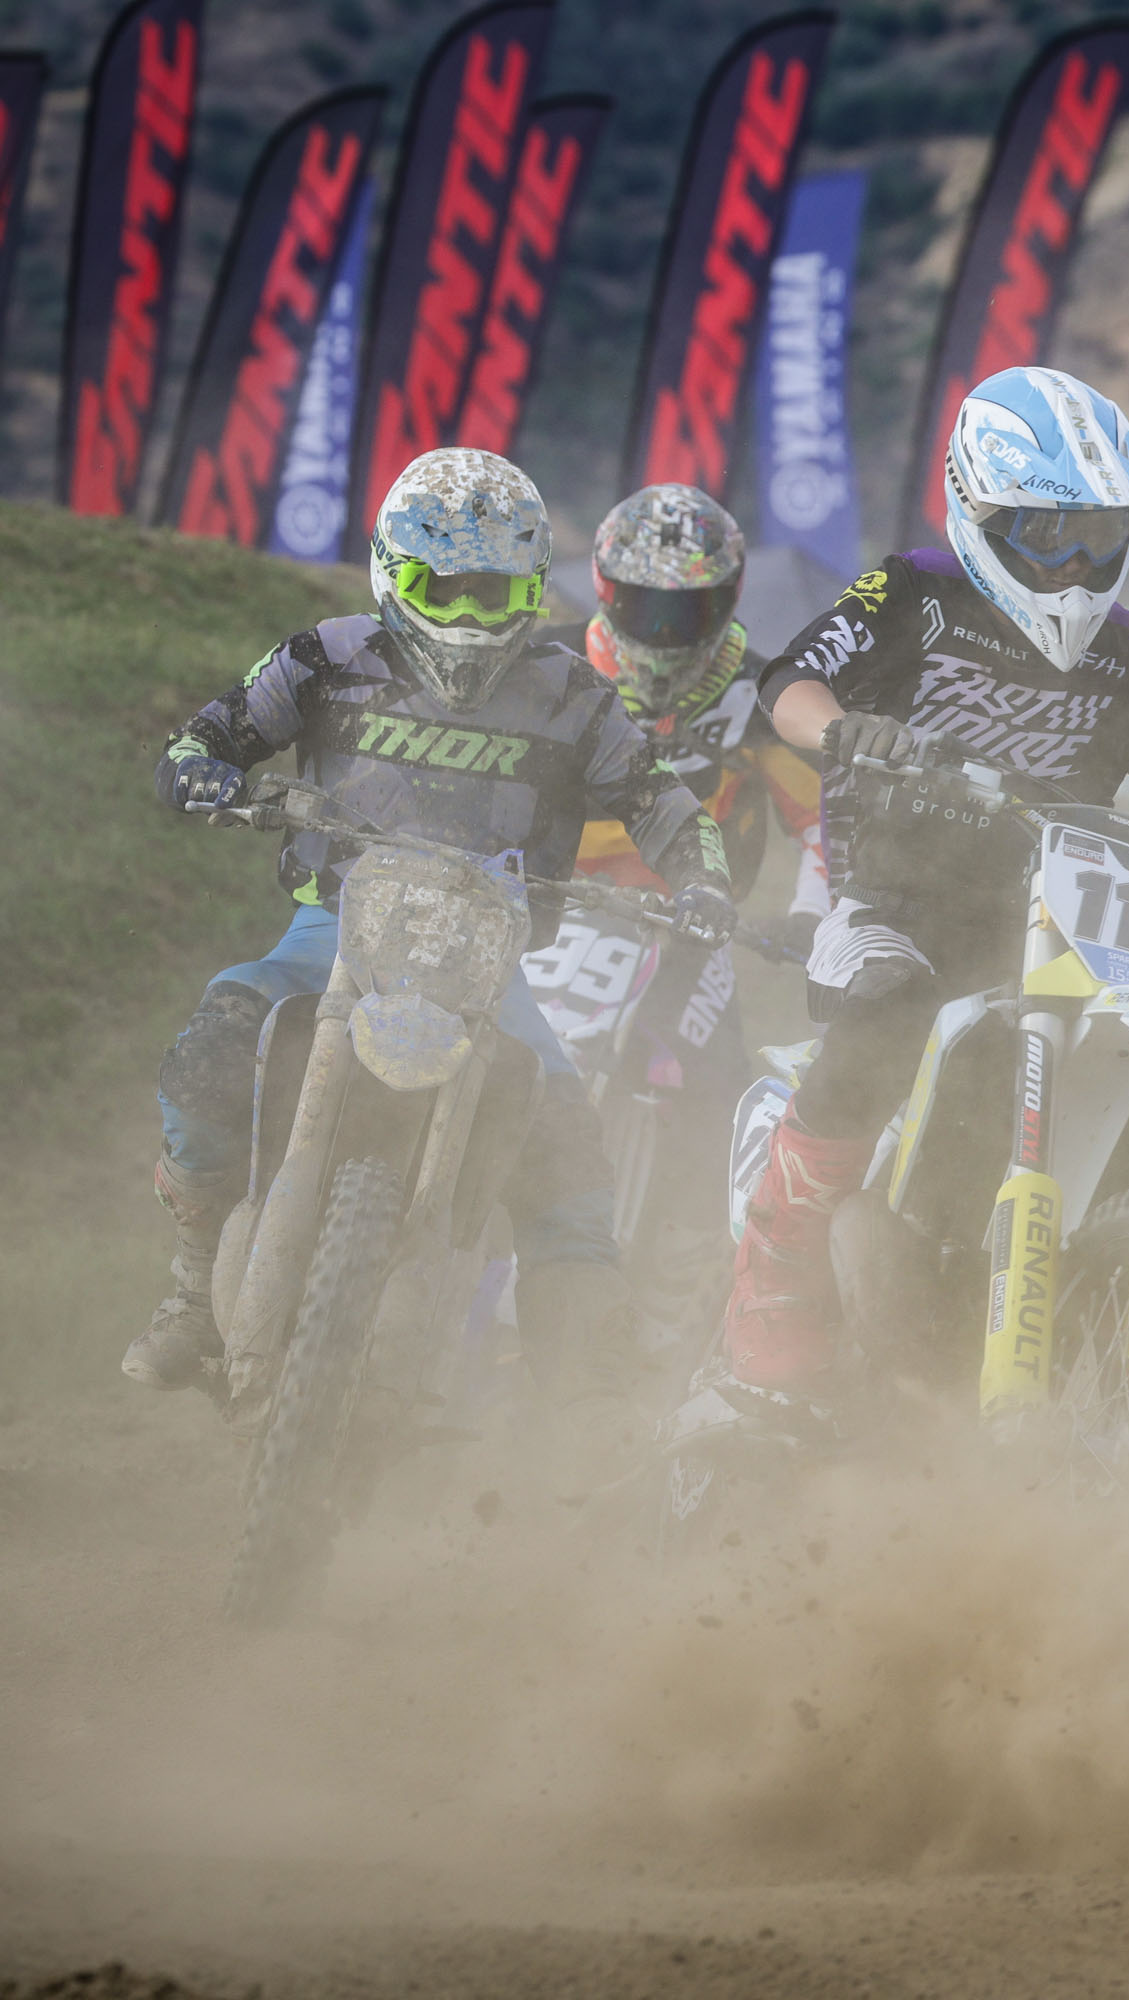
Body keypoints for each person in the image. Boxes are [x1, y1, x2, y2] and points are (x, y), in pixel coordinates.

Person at [712, 364, 1129, 1411]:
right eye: (1046, 534)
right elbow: (791, 682)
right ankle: (777, 1272)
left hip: (1063, 923)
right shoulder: (915, 594)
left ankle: (1107, 1335)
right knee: (886, 1006)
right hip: (895, 907)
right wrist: (846, 731)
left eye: (1100, 537)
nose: (1073, 566)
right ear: (979, 510)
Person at [125, 448, 735, 1415]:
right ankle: (194, 1290)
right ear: (393, 574)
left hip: (489, 959)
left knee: (571, 1157)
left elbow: (663, 805)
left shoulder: (575, 695)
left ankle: (583, 1403)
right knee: (208, 1053)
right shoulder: (324, 658)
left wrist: (703, 881)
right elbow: (200, 743)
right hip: (333, 931)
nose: (469, 616)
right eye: (442, 588)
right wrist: (225, 783)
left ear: (533, 590)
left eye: (494, 593)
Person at [554, 485, 825, 1348]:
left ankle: (677, 1300)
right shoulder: (549, 668)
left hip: (688, 921)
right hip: (540, 902)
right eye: (647, 607)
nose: (667, 632)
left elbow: (825, 817)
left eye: (689, 610)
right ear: (605, 592)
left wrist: (812, 916)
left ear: (728, 602)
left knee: (720, 1095)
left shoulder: (761, 693)